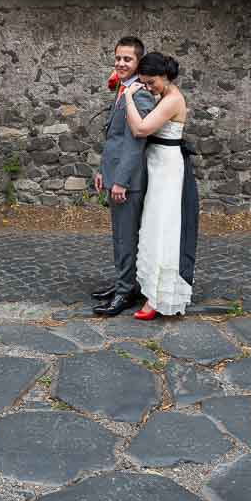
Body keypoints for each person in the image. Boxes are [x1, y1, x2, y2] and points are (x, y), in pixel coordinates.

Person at [123, 52, 199, 319]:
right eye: (143, 83)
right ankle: (150, 289)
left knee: (163, 228)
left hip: (167, 168)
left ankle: (158, 298)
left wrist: (128, 97)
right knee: (153, 225)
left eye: (151, 82)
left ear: (165, 77)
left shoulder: (173, 100)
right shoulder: (164, 96)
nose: (148, 87)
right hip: (157, 165)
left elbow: (141, 130)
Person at [91, 36, 156, 317]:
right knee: (119, 235)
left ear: (138, 62)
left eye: (127, 59)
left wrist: (121, 180)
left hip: (128, 182)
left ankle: (125, 291)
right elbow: (114, 138)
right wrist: (103, 172)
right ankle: (122, 282)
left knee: (126, 237)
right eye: (118, 58)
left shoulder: (139, 94)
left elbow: (135, 142)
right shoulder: (123, 88)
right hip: (115, 174)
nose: (120, 63)